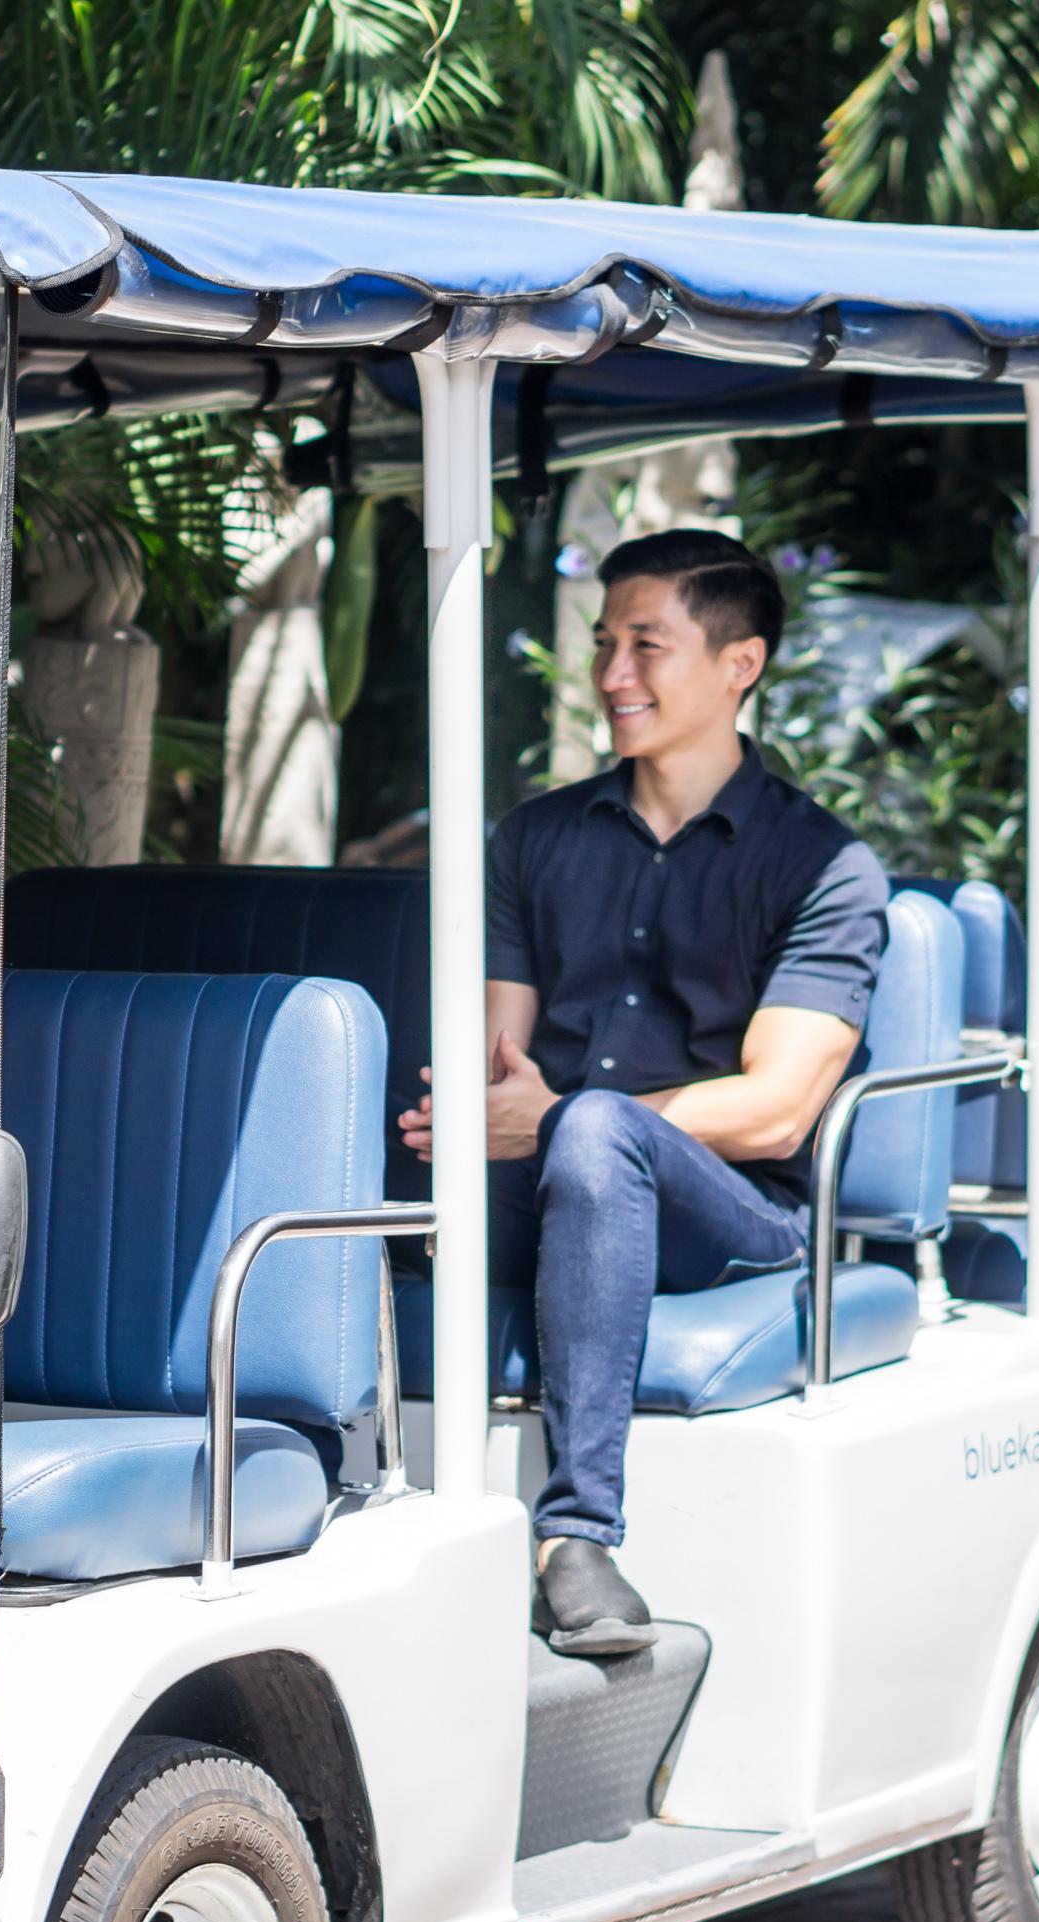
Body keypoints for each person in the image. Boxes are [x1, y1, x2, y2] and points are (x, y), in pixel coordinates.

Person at [400, 530, 885, 1657]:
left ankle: (574, 1533)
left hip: (734, 1215)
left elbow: (773, 1109)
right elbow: (498, 1060)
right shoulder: (533, 837)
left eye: (645, 645)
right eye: (604, 644)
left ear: (738, 664)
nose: (612, 674)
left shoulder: (823, 865)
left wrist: (564, 1118)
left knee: (600, 1132)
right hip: (556, 1174)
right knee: (387, 1150)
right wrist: (469, 1116)